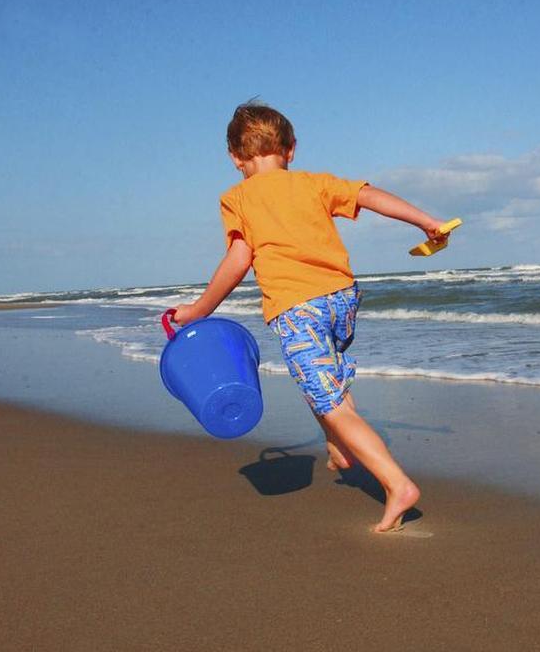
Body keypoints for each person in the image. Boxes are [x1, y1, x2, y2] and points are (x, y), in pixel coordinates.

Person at [172, 101, 450, 533]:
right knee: (326, 382)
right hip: (342, 299)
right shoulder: (314, 183)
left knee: (327, 399)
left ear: (234, 157)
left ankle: (398, 484)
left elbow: (239, 258)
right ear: (291, 149)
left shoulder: (237, 198)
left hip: (296, 309)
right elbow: (368, 195)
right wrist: (426, 221)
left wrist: (199, 309)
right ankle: (341, 448)